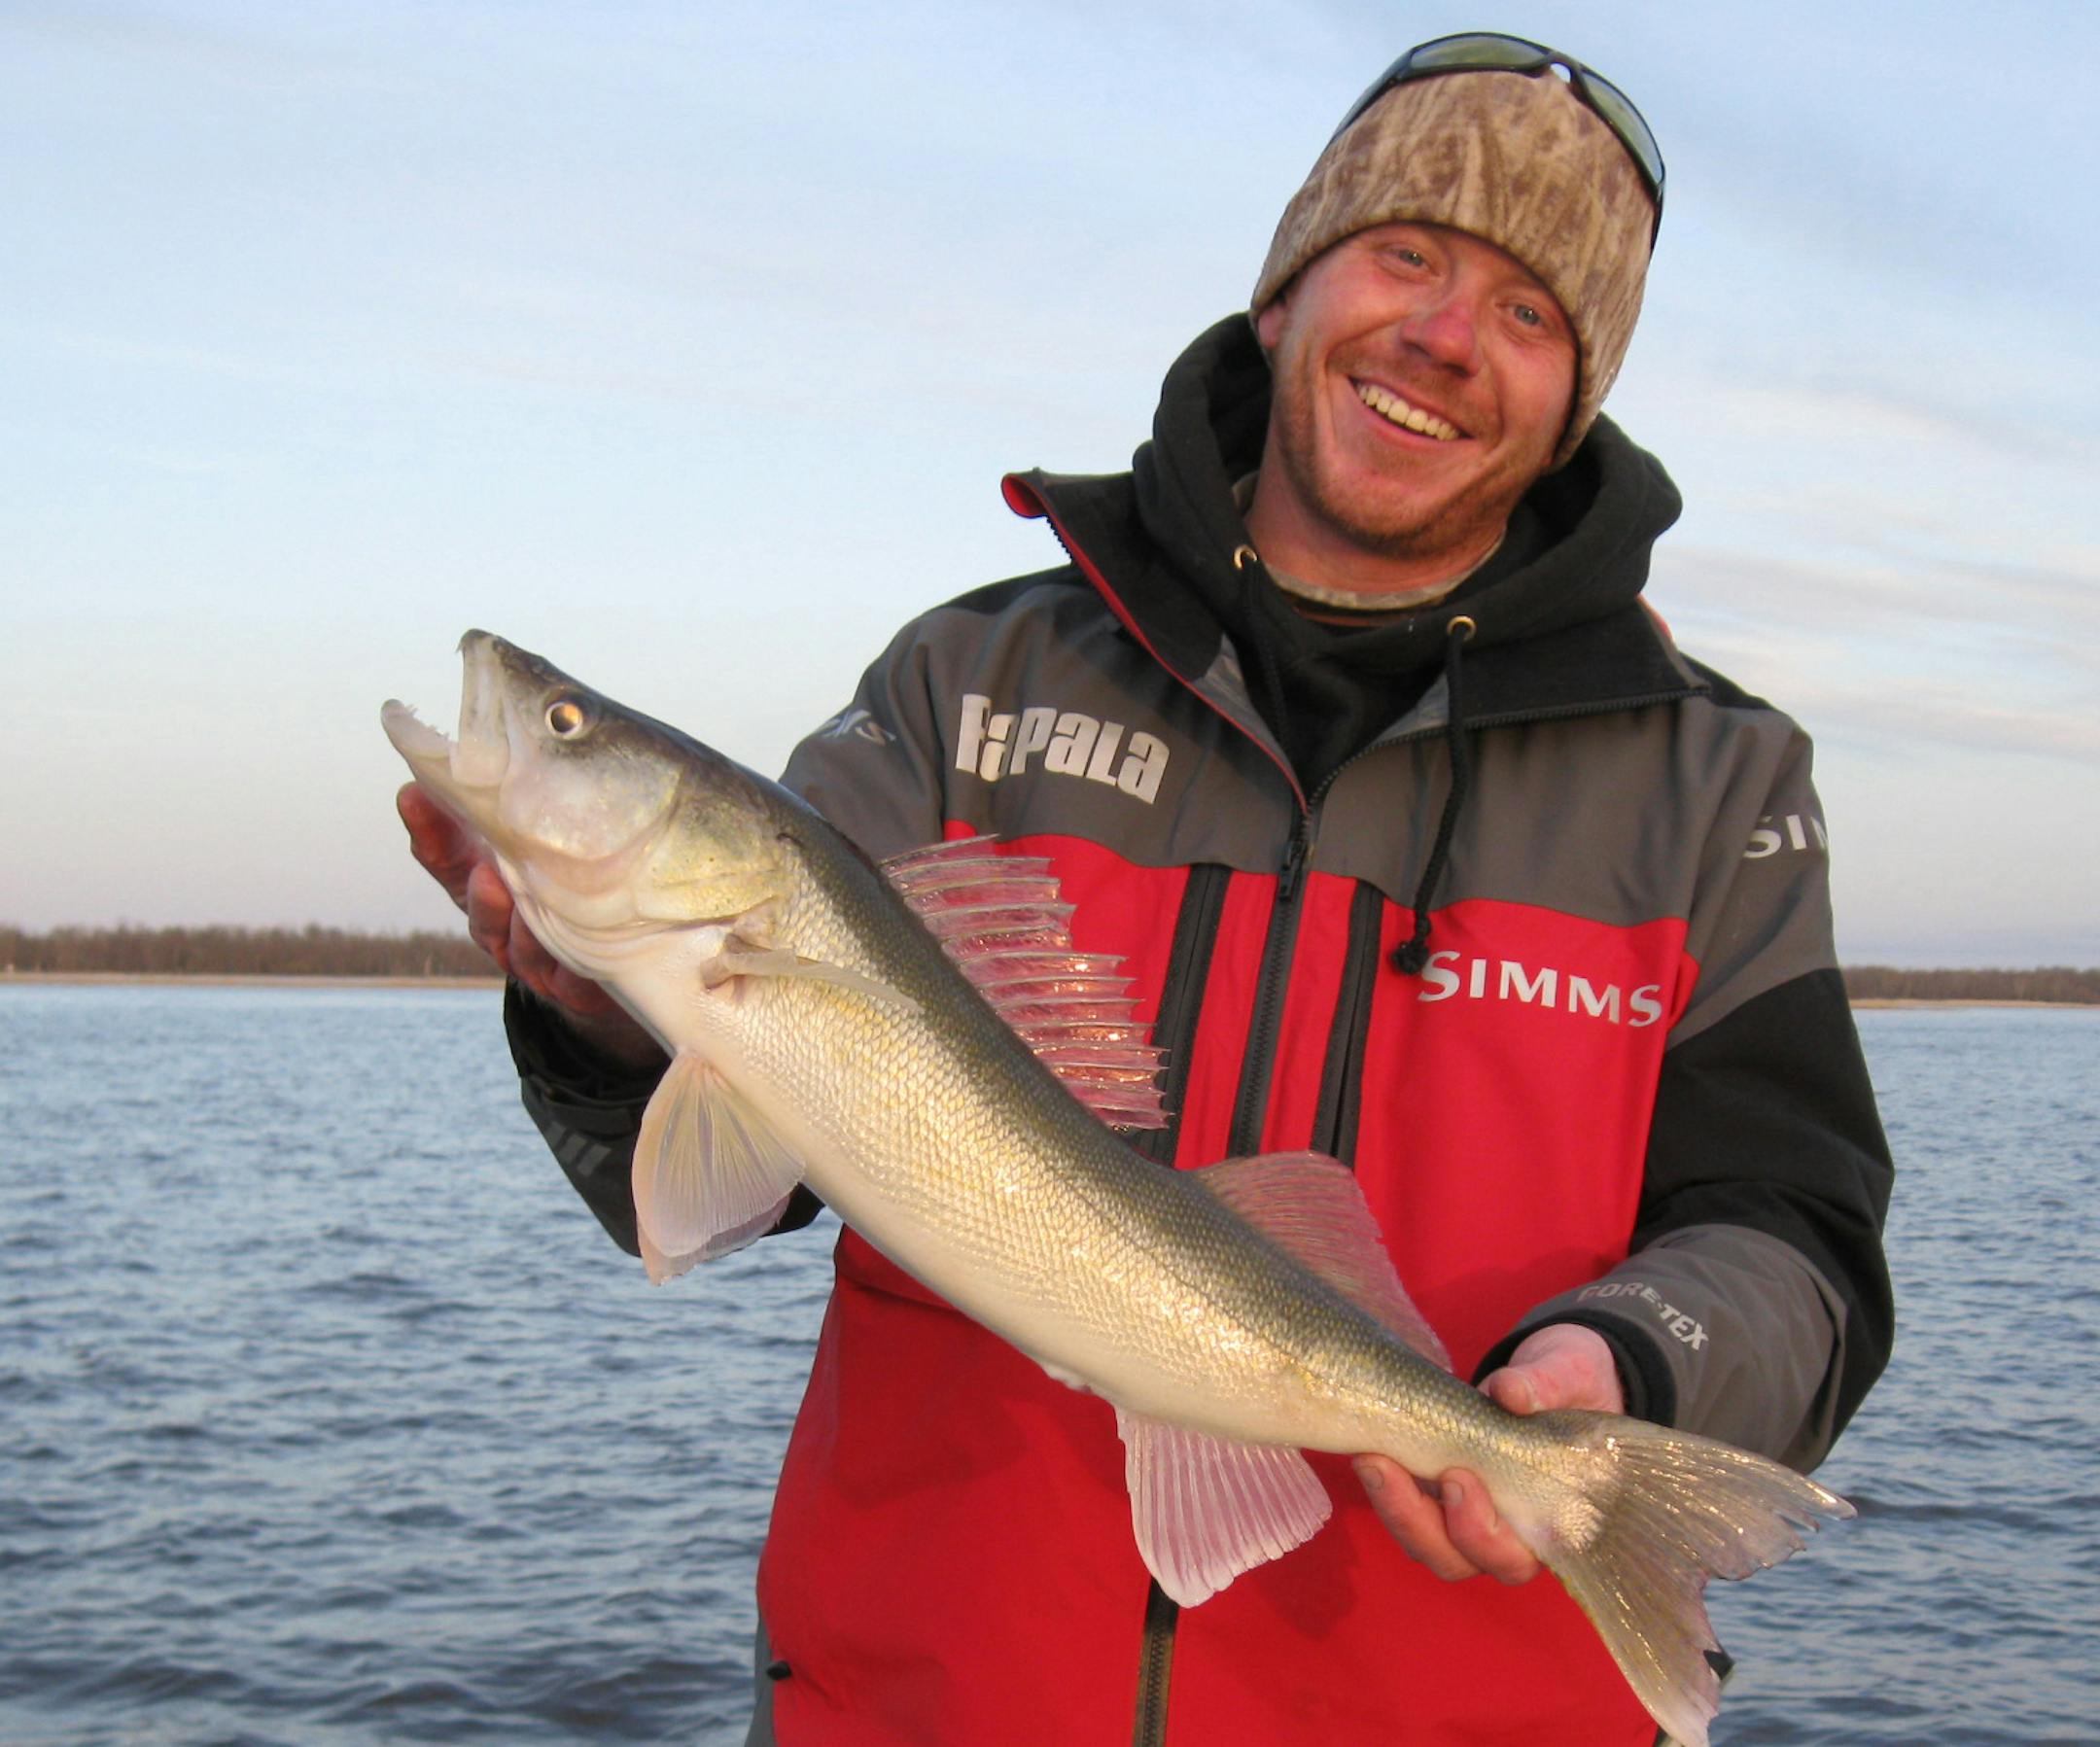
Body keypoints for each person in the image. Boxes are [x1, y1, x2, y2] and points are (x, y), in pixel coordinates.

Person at [401, 34, 1894, 1746]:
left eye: (1531, 312)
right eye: (1405, 252)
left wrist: (1627, 1365)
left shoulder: (1715, 782)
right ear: (1284, 291)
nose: (1445, 335)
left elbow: (1801, 1242)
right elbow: (712, 1183)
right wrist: (600, 1019)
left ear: (1575, 405)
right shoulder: (967, 681)